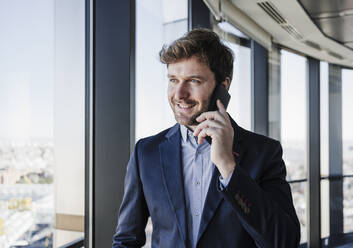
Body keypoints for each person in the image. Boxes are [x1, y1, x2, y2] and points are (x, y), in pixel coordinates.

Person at [112, 28, 300, 248]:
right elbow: (126, 240)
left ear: (223, 86)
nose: (179, 94)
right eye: (173, 80)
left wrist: (228, 167)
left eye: (193, 81)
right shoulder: (146, 152)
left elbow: (284, 241)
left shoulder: (264, 152)